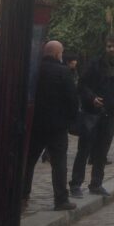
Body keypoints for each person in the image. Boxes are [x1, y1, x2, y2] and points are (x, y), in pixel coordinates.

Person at [69, 33, 114, 198]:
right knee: (84, 150)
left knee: (102, 152)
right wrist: (92, 98)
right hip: (92, 113)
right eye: (109, 46)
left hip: (110, 114)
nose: (112, 49)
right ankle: (75, 184)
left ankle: (96, 183)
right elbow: (82, 85)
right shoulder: (94, 64)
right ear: (105, 46)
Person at [22, 40, 79, 211]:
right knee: (59, 163)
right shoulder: (63, 72)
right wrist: (70, 120)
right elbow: (72, 100)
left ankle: (22, 196)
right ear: (56, 54)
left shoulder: (35, 69)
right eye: (61, 53)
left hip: (36, 123)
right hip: (57, 126)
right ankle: (61, 199)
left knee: (29, 161)